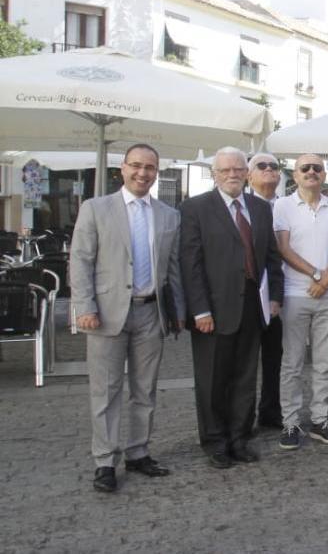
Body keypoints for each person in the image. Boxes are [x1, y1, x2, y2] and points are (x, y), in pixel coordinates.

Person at [70, 144, 186, 493]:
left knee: (145, 389)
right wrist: (84, 307)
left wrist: (177, 311)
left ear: (157, 172)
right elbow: (80, 262)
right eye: (136, 166)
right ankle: (105, 460)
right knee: (105, 391)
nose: (143, 173)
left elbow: (173, 268)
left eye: (150, 167)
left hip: (152, 312)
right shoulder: (96, 209)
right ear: (122, 169)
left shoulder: (169, 215)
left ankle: (138, 452)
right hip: (106, 313)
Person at [180, 147, 283, 468]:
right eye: (225, 170)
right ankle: (214, 441)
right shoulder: (195, 208)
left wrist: (275, 297)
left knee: (244, 377)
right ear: (214, 174)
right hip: (213, 310)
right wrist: (199, 310)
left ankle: (239, 437)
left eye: (238, 169)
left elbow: (271, 257)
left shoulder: (260, 208)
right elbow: (190, 264)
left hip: (253, 306)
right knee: (212, 380)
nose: (232, 175)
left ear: (247, 173)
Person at [273, 154, 328, 449]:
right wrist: (317, 273)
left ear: (324, 173)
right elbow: (283, 247)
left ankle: (320, 419)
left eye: (317, 168)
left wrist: (327, 277)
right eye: (306, 168)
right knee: (292, 362)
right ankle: (290, 422)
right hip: (295, 293)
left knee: (325, 361)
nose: (312, 172)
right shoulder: (283, 205)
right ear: (295, 174)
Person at [246, 152, 284, 430]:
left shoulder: (286, 206)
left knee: (275, 358)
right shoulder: (241, 206)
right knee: (245, 362)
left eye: (274, 166)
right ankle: (243, 416)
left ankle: (271, 410)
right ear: (249, 175)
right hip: (247, 295)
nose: (269, 169)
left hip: (279, 294)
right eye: (262, 165)